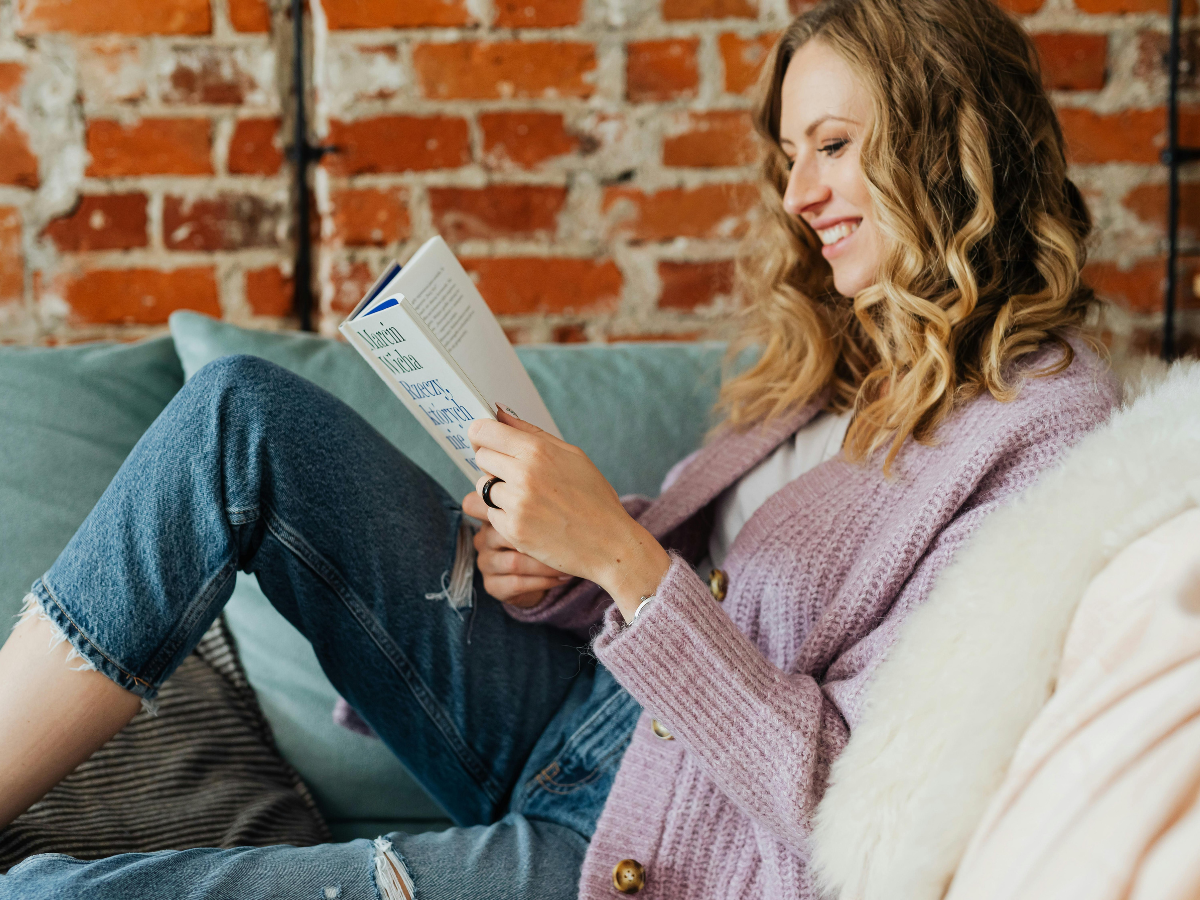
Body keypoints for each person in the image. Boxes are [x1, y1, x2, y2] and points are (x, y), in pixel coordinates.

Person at [0, 0, 1119, 897]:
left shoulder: (1045, 432)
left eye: (833, 145)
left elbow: (860, 805)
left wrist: (625, 564)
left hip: (655, 845)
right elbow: (709, 599)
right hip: (570, 709)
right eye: (791, 153)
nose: (800, 194)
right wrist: (568, 562)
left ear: (952, 146)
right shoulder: (841, 364)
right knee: (238, 417)